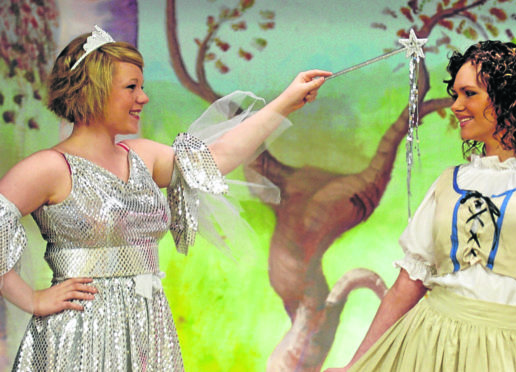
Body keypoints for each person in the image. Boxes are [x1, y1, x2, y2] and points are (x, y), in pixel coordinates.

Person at [0, 25, 330, 371]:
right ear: (94, 91)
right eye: (131, 88)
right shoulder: (50, 168)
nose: (143, 98)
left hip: (147, 326)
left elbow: (216, 158)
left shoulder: (142, 156)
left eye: (142, 87)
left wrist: (284, 103)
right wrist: (32, 299)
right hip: (79, 334)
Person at [325, 41, 516, 372]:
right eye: (455, 95)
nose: (455, 106)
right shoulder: (450, 182)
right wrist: (355, 364)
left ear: (509, 97)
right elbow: (409, 283)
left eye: (469, 94)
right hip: (428, 346)